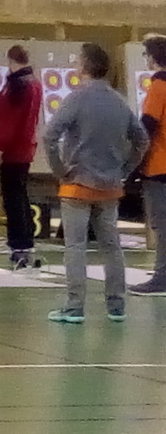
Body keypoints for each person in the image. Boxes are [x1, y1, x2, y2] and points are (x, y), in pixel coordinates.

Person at [43, 42, 148, 323]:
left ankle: (75, 306)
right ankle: (117, 305)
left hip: (77, 184)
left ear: (84, 66)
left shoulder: (76, 98)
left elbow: (50, 135)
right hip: (111, 186)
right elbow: (142, 139)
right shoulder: (119, 101)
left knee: (75, 247)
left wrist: (59, 169)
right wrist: (125, 168)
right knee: (111, 246)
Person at [0, 45, 43, 268]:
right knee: (18, 195)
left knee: (14, 199)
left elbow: (13, 121)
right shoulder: (30, 82)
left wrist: (0, 147)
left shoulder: (20, 85)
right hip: (21, 149)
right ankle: (24, 243)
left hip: (13, 151)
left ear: (11, 61)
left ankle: (20, 245)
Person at [131, 35, 166, 295]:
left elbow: (147, 126)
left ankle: (162, 277)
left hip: (159, 165)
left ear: (153, 58)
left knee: (162, 225)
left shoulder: (159, 85)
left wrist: (132, 162)